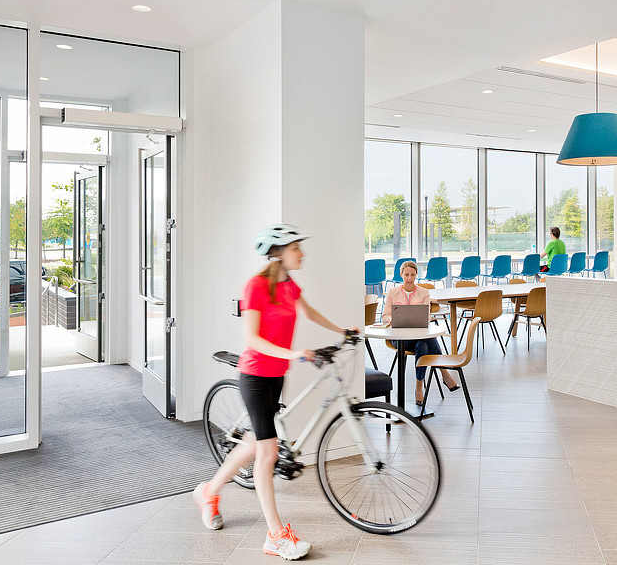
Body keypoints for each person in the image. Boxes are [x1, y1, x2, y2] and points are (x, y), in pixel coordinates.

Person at [193, 223, 353, 561]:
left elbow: (308, 312)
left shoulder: (290, 286)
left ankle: (209, 490)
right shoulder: (255, 287)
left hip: (277, 374)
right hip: (255, 376)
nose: (303, 254)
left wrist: (343, 330)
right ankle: (275, 536)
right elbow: (253, 339)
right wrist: (293, 353)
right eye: (297, 248)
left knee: (256, 442)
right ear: (279, 252)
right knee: (267, 453)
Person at [382, 260, 459, 406]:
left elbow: (427, 316)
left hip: (419, 336)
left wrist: (420, 319)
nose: (409, 278)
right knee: (426, 342)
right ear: (401, 275)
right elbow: (384, 316)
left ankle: (419, 385)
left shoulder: (424, 293)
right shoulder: (393, 293)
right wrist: (394, 319)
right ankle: (444, 373)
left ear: (417, 275)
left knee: (422, 346)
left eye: (412, 275)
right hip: (399, 338)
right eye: (406, 275)